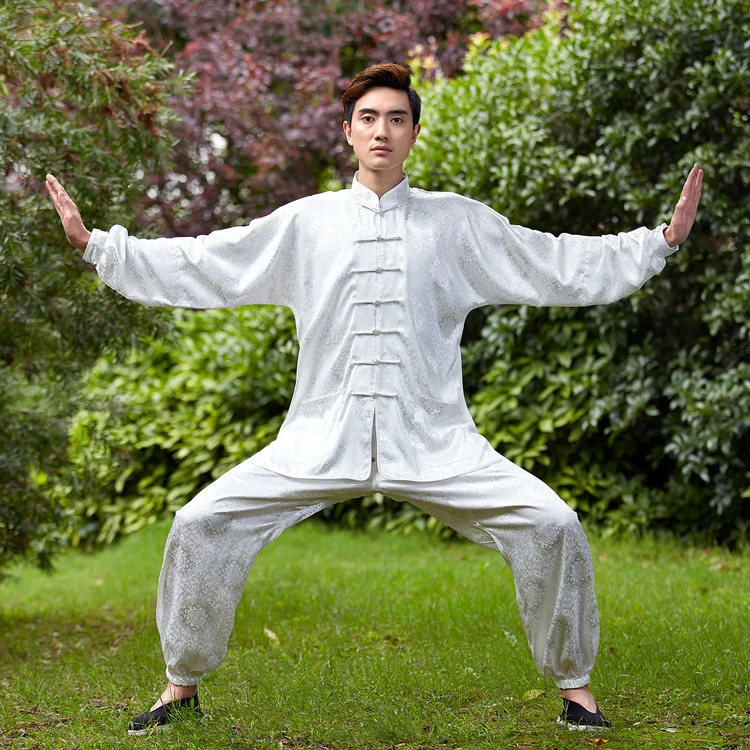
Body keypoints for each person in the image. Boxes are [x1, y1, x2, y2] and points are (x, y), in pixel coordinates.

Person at [47, 62, 703, 736]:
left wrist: (656, 244)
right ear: (348, 132)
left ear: (413, 132)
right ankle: (179, 688)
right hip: (318, 440)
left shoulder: (456, 224)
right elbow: (213, 261)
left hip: (436, 442)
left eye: (396, 118)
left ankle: (577, 689)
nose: (382, 130)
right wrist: (103, 249)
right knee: (199, 522)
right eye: (368, 119)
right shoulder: (307, 224)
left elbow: (551, 261)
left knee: (554, 523)